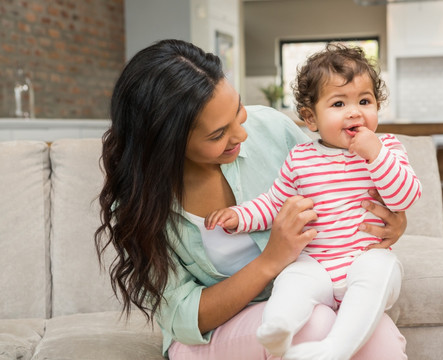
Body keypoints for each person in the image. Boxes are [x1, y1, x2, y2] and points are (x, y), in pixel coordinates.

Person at [94, 39, 409, 360]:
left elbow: (342, 183)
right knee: (317, 324)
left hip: (302, 299)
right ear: (167, 145)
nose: (242, 134)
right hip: (212, 335)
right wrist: (271, 260)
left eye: (238, 111)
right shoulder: (141, 204)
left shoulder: (270, 128)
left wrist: (394, 219)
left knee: (379, 335)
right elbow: (183, 317)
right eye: (218, 134)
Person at [205, 44, 421, 360]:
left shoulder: (386, 148)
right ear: (311, 119)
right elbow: (274, 203)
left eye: (365, 101)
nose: (354, 111)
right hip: (316, 262)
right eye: (338, 103)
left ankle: (334, 349)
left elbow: (406, 195)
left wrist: (375, 154)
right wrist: (239, 216)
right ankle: (278, 330)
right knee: (292, 280)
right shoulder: (301, 158)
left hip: (364, 256)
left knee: (382, 270)